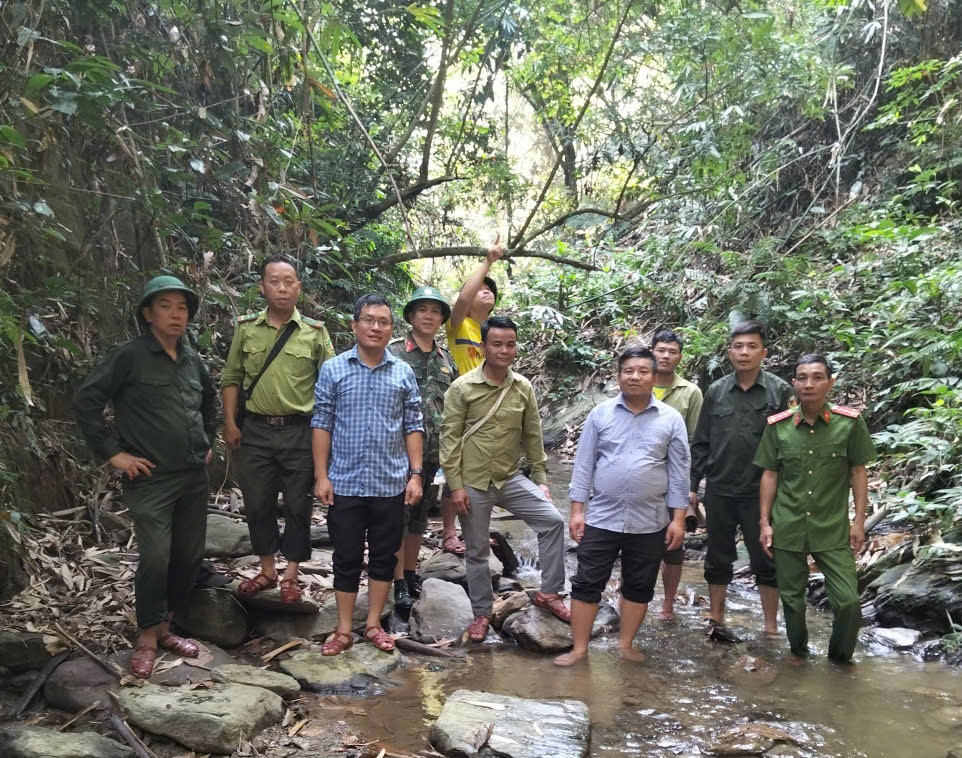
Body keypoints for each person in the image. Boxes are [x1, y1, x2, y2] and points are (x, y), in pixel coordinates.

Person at [75, 276, 215, 678]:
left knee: (189, 555)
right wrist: (115, 454)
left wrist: (207, 439)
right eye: (167, 306)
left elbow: (207, 401)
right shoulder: (129, 357)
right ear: (148, 314)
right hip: (151, 477)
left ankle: (167, 627)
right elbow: (87, 402)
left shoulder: (193, 360)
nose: (176, 314)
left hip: (192, 475)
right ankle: (147, 638)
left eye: (183, 308)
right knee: (156, 554)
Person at [554, 347, 690, 666]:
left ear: (654, 378)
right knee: (587, 582)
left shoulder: (670, 419)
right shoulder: (600, 414)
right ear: (618, 376)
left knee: (639, 585)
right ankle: (579, 649)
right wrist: (576, 510)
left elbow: (679, 471)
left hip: (651, 520)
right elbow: (584, 464)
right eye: (628, 370)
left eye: (643, 371)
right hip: (602, 516)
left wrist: (679, 519)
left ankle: (625, 645)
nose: (635, 376)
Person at [440, 315, 569, 643]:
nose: (504, 350)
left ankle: (550, 593)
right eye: (496, 344)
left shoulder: (523, 387)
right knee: (477, 549)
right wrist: (455, 486)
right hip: (473, 481)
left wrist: (540, 479)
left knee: (552, 521)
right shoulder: (462, 388)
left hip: (509, 478)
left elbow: (532, 436)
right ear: (483, 346)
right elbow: (450, 440)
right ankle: (482, 613)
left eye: (510, 344)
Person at [312, 294, 424, 655]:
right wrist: (321, 476)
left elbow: (413, 426)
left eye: (384, 322)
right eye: (369, 320)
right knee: (345, 556)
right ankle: (343, 629)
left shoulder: (402, 372)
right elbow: (322, 423)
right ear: (354, 324)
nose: (376, 327)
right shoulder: (334, 369)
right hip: (344, 481)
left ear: (392, 329)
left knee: (384, 556)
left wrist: (416, 475)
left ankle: (374, 624)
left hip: (389, 482)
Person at [221, 254, 335, 603]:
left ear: (299, 287)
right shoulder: (246, 328)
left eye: (289, 281)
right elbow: (231, 378)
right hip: (255, 430)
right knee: (258, 502)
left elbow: (330, 384)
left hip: (300, 432)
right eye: (274, 281)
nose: (282, 288)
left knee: (299, 506)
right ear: (262, 287)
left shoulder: (315, 333)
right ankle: (267, 569)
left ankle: (291, 574)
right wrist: (229, 423)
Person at [754, 354, 875, 663]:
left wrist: (858, 522)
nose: (809, 384)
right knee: (792, 601)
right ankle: (799, 654)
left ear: (830, 383)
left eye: (817, 377)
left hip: (831, 527)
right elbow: (770, 474)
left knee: (848, 602)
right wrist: (765, 522)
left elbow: (858, 472)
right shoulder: (778, 427)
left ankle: (840, 659)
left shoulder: (849, 423)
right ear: (794, 383)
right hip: (788, 525)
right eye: (802, 377)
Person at [690, 319, 793, 634]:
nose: (744, 353)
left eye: (751, 346)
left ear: (764, 352)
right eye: (738, 346)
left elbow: (792, 444)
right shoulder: (717, 392)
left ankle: (771, 626)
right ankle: (716, 618)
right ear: (729, 352)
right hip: (720, 489)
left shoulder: (780, 391)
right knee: (718, 558)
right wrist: (692, 488)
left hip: (761, 493)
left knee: (766, 559)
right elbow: (702, 443)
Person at [387, 287, 458, 611]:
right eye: (422, 310)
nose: (429, 316)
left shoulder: (447, 361)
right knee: (397, 519)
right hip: (397, 452)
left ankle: (411, 571)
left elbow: (455, 409)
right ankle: (398, 580)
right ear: (411, 316)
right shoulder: (394, 353)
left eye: (435, 311)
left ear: (442, 319)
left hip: (434, 454)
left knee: (418, 519)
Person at [440, 237, 503, 555]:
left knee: (483, 474)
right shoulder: (458, 324)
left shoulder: (493, 334)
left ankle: (474, 530)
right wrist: (488, 261)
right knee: (455, 472)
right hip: (461, 407)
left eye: (491, 289)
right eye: (482, 287)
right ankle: (449, 533)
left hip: (489, 410)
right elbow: (464, 297)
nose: (485, 290)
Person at [650, 329, 704, 622]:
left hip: (674, 480)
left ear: (680, 357)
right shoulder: (637, 383)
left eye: (672, 351)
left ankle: (667, 605)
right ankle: (631, 599)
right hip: (640, 480)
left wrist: (692, 486)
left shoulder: (690, 392)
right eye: (661, 350)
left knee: (673, 545)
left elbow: (696, 441)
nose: (666, 356)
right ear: (652, 352)